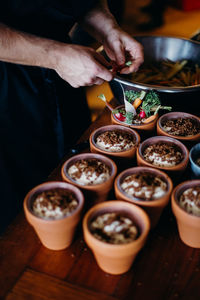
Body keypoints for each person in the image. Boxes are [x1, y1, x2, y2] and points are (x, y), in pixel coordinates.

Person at [0, 0, 143, 232]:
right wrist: (55, 56)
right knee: (20, 211)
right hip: (8, 91)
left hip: (64, 71)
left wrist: (107, 28)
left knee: (79, 167)